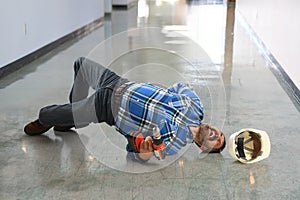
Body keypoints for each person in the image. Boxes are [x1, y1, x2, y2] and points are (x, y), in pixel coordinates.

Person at [24, 57, 226, 162]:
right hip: (119, 82)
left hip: (105, 108)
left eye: (216, 142)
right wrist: (163, 94)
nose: (217, 135)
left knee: (46, 114)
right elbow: (180, 87)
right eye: (220, 134)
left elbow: (135, 148)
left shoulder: (173, 144)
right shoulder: (197, 107)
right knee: (81, 64)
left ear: (203, 147)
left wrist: (142, 155)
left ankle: (71, 117)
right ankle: (74, 117)